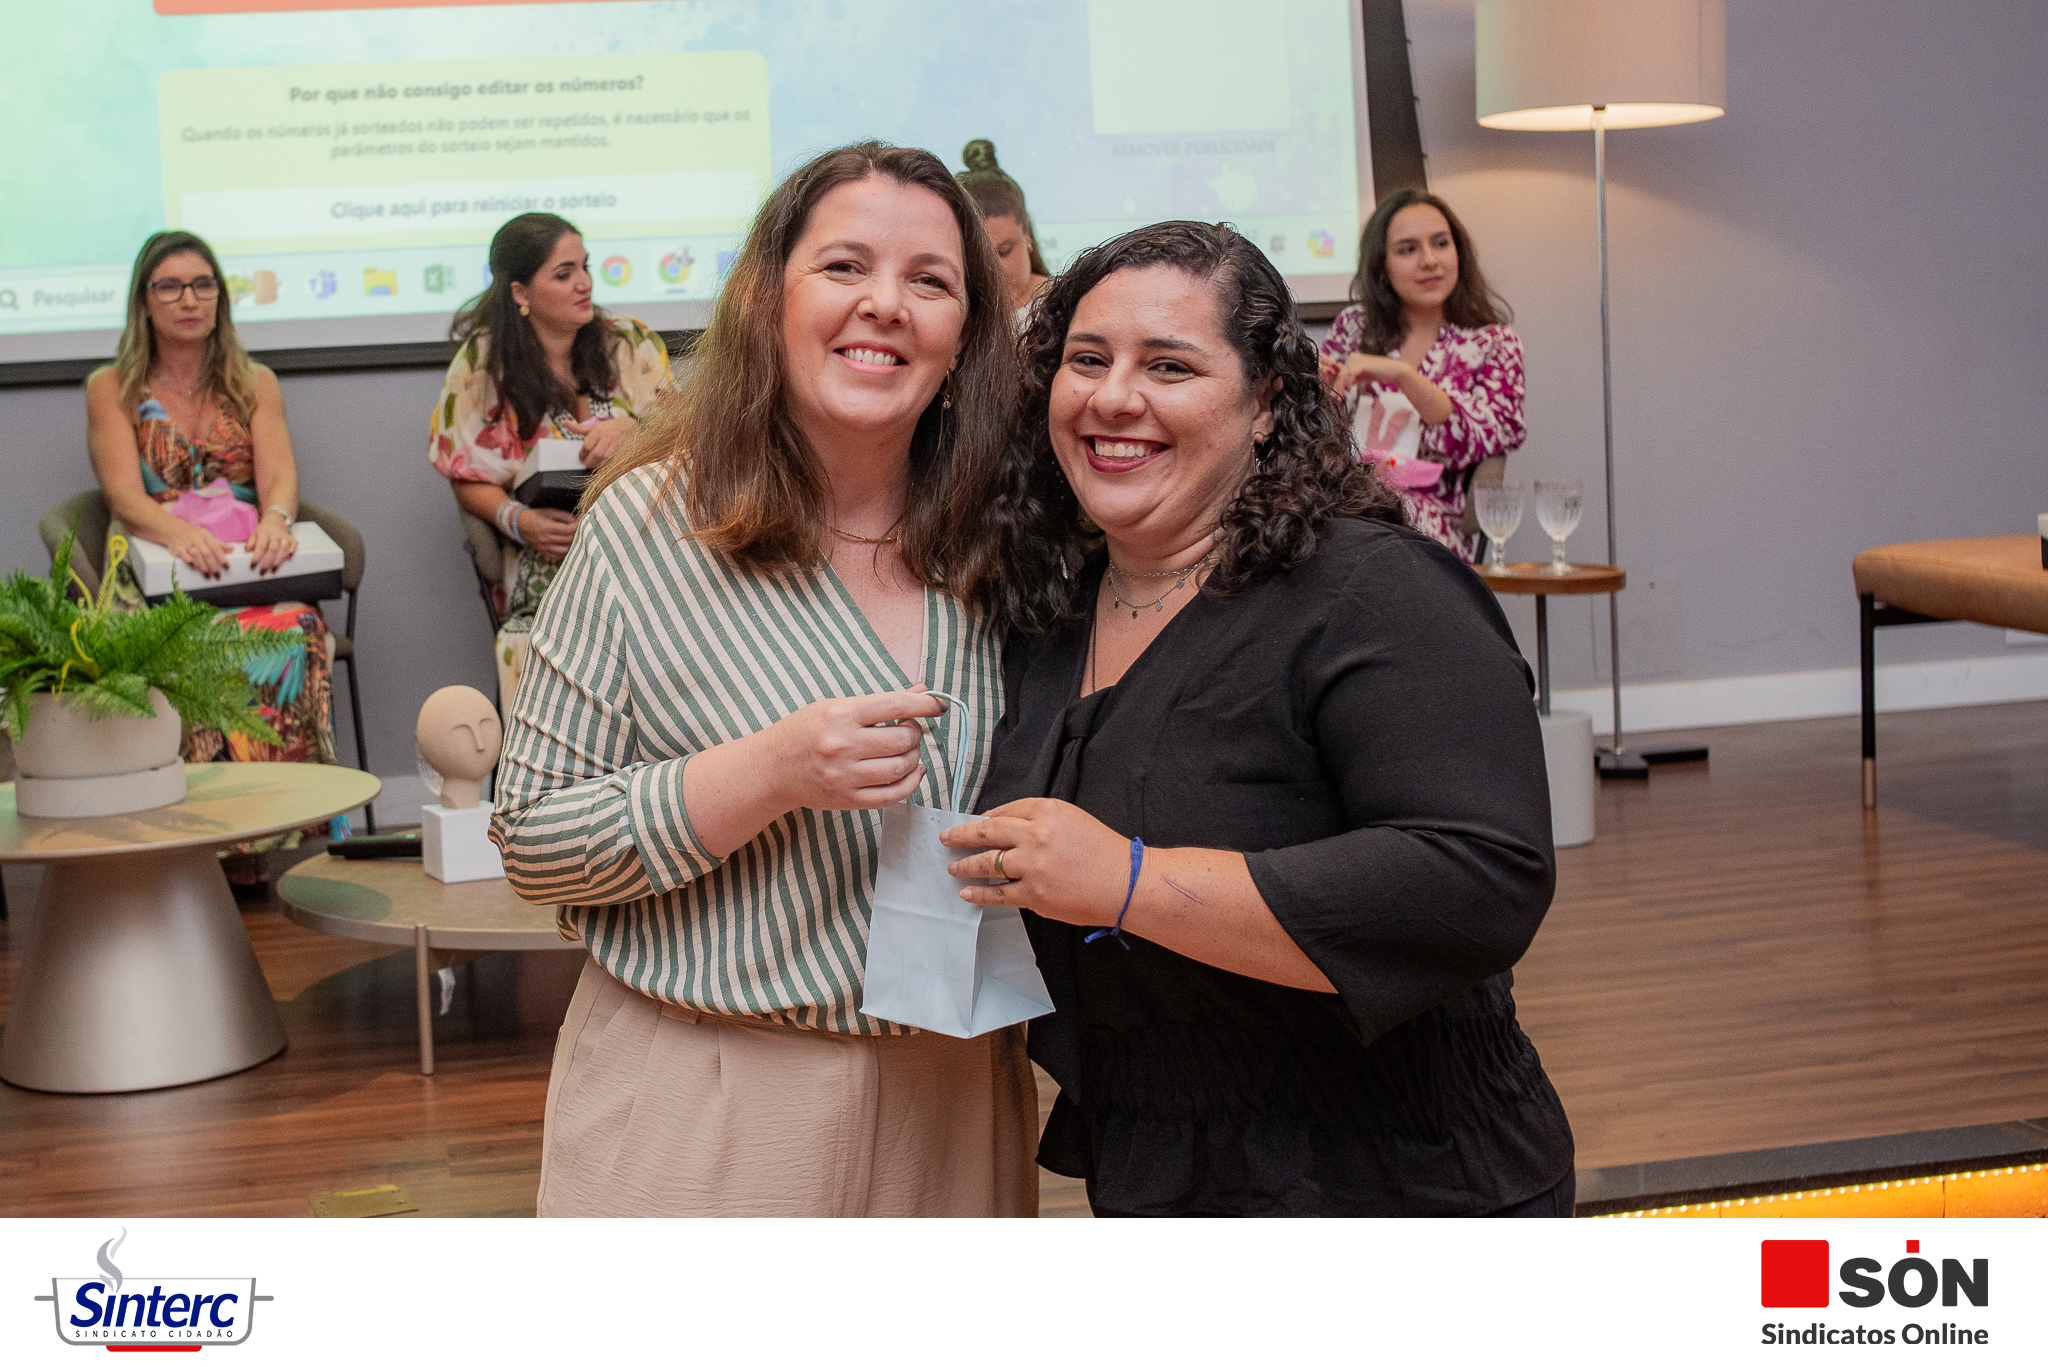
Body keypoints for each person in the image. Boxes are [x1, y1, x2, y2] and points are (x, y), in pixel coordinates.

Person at [941, 221, 1574, 1216]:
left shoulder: (1371, 590)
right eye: (1087, 360)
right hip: (1163, 1172)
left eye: (1169, 365)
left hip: (1391, 1183)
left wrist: (1130, 882)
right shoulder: (1046, 617)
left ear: (1268, 401)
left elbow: (1478, 878)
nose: (1113, 397)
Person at [490, 143, 1034, 1217]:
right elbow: (533, 837)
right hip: (710, 1096)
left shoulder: (1009, 541)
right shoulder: (649, 525)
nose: (886, 304)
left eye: (929, 280)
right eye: (844, 267)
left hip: (957, 1090)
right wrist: (770, 771)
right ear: (766, 299)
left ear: (968, 333)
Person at [85, 231, 340, 876]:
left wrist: (277, 519)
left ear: (220, 297)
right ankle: (206, 842)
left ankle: (276, 826)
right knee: (194, 644)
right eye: (170, 287)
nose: (189, 300)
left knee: (297, 627)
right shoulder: (111, 387)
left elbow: (280, 476)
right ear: (144, 302)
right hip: (155, 566)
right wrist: (175, 533)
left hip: (243, 564)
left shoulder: (255, 382)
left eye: (203, 285)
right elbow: (123, 496)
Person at [431, 213, 672, 708]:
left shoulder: (630, 343)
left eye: (584, 267)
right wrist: (520, 522)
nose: (584, 283)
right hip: (551, 561)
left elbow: (686, 442)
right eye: (564, 274)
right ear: (520, 292)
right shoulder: (482, 365)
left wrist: (636, 430)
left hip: (645, 552)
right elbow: (464, 474)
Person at [1319, 189, 1525, 562]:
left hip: (1429, 522)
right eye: (1408, 249)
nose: (1430, 261)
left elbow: (1488, 436)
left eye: (1441, 244)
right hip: (1341, 503)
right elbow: (1317, 428)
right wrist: (1317, 385)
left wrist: (1403, 375)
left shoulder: (1493, 342)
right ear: (1382, 266)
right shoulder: (1354, 326)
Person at [957, 139, 1051, 329]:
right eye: (980, 255)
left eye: (1005, 251)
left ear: (1027, 235)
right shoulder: (955, 316)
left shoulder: (1066, 304)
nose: (995, 269)